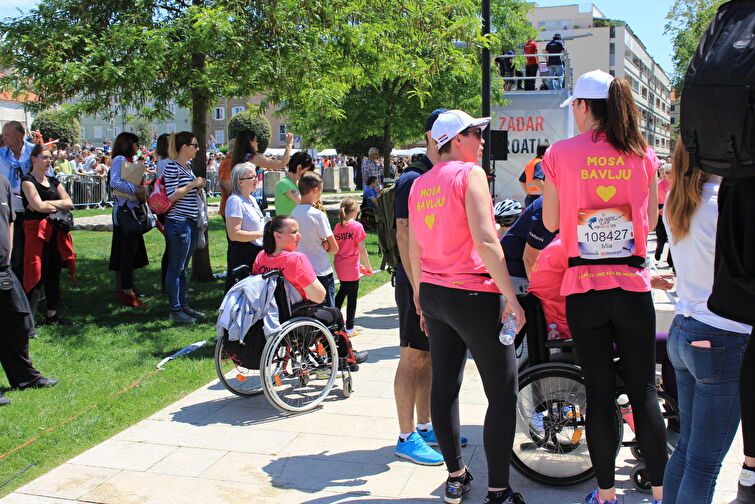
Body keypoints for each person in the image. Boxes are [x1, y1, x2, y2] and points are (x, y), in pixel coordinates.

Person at [541, 70, 666, 504]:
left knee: (597, 392)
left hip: (583, 289)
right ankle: (659, 493)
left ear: (581, 106)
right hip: (632, 286)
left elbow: (552, 223)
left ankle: (607, 495)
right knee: (644, 391)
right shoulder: (644, 152)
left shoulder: (558, 153)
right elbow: (650, 215)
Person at [408, 109, 526, 504]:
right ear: (456, 139)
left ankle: (456, 476)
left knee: (445, 385)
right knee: (503, 391)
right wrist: (511, 297)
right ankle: (498, 490)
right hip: (475, 293)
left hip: (436, 293)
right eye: (475, 134)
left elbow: (414, 247)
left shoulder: (419, 183)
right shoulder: (469, 174)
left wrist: (419, 296)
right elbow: (487, 240)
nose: (480, 141)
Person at [661, 143, 751, 504]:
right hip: (722, 336)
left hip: (684, 329)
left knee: (688, 451)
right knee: (703, 464)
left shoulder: (677, 202)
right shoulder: (723, 205)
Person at [393, 109, 458, 468]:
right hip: (412, 282)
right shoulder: (412, 179)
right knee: (412, 357)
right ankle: (405, 437)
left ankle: (425, 425)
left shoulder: (432, 175)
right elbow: (403, 233)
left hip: (429, 282)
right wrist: (417, 287)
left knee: (429, 357)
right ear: (435, 137)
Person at [252, 216, 368, 366]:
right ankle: (343, 357)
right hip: (296, 318)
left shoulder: (261, 257)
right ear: (277, 235)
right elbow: (320, 296)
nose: (299, 236)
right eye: (294, 232)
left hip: (270, 316)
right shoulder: (295, 259)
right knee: (335, 313)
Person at [0, 172, 58, 407]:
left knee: (19, 322)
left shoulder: (2, 181)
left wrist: (8, 253)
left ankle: (24, 377)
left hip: (3, 268)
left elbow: (11, 220)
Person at [21, 143, 75, 325]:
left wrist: (46, 206)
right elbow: (38, 206)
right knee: (35, 272)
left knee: (53, 272)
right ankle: (29, 320)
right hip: (37, 233)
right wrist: (50, 205)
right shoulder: (28, 180)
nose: (48, 161)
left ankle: (52, 315)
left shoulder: (53, 181)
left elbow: (69, 203)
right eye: (44, 157)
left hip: (55, 233)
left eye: (50, 157)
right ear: (33, 159)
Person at [163, 131, 206, 323]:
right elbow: (171, 195)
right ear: (184, 147)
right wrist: (192, 184)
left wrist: (197, 185)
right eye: (195, 145)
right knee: (176, 268)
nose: (197, 149)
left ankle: (183, 306)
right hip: (178, 223)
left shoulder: (186, 167)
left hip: (187, 222)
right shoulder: (172, 167)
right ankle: (175, 309)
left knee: (182, 269)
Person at [108, 132, 149, 307]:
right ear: (128, 144)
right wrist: (135, 188)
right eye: (136, 144)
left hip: (131, 209)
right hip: (125, 213)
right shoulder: (119, 160)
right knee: (126, 253)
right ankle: (126, 291)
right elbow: (114, 182)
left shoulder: (130, 161)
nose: (138, 147)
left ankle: (128, 287)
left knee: (131, 253)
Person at [220, 130, 294, 220]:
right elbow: (281, 163)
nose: (257, 143)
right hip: (243, 202)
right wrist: (289, 145)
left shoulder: (237, 158)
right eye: (255, 140)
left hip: (237, 202)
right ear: (249, 142)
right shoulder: (249, 157)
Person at [290, 172, 339, 307]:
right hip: (320, 270)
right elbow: (334, 248)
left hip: (302, 272)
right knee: (328, 311)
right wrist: (326, 245)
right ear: (315, 190)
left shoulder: (293, 213)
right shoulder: (318, 215)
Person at [0, 121, 34, 281]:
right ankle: (14, 289)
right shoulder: (1, 155)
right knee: (14, 255)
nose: (3, 138)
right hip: (10, 213)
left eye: (7, 135)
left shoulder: (35, 153)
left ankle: (36, 292)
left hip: (32, 211)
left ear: (20, 136)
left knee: (33, 255)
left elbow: (49, 178)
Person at [500, 197, 555, 295]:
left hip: (527, 263)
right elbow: (530, 258)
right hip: (516, 268)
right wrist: (539, 294)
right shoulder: (545, 208)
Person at [333, 198, 372, 335]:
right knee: (352, 297)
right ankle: (350, 328)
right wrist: (368, 266)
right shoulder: (357, 226)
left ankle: (332, 319)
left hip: (339, 263)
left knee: (343, 290)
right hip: (351, 265)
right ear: (356, 211)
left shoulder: (338, 226)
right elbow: (362, 249)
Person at [224, 162, 265, 293]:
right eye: (251, 177)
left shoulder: (251, 199)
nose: (256, 179)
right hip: (243, 255)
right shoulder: (235, 200)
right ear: (240, 182)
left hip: (255, 253)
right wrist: (262, 234)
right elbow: (234, 234)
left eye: (256, 176)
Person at [275, 151, 313, 217]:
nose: (307, 174)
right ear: (299, 168)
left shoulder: (297, 184)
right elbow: (303, 203)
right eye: (306, 171)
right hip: (286, 226)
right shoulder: (284, 183)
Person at [655, 164, 673, 268]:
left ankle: (671, 260)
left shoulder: (679, 183)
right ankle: (658, 251)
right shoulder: (659, 184)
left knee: (673, 238)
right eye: (666, 172)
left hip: (673, 213)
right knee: (661, 237)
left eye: (671, 172)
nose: (668, 175)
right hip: (660, 212)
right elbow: (653, 199)